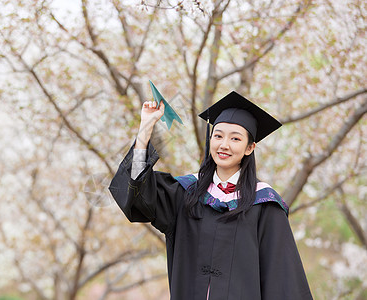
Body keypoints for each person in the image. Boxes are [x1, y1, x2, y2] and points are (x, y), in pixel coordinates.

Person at [109, 91, 313, 300]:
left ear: (250, 148)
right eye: (218, 135)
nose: (224, 145)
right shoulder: (185, 193)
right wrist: (145, 128)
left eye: (235, 138)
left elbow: (283, 278)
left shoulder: (264, 204)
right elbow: (137, 195)